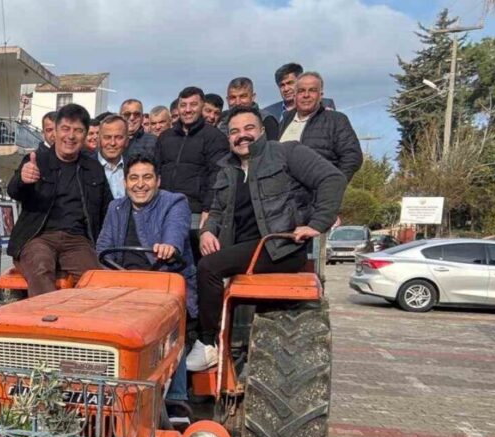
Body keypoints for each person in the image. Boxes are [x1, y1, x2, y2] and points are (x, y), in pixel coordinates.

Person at [187, 107, 345, 371]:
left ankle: (207, 343)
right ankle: (186, 330)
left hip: (278, 247)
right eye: (234, 131)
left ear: (261, 130)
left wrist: (316, 225)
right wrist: (206, 232)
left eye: (249, 128)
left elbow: (332, 178)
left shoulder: (286, 153)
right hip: (240, 247)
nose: (242, 136)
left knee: (209, 267)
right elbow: (216, 211)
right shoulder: (227, 169)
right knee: (184, 250)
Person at [95, 155, 197, 404]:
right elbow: (103, 247)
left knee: (169, 328)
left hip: (163, 283)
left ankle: (176, 399)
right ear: (125, 182)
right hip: (123, 284)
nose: (140, 184)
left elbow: (177, 228)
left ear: (158, 180)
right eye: (134, 178)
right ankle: (102, 388)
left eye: (147, 177)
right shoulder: (116, 208)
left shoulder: (175, 202)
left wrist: (169, 246)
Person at [6, 103, 114, 297]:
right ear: (55, 132)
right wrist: (23, 180)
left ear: (87, 135)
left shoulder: (94, 168)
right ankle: (46, 323)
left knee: (98, 281)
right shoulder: (36, 160)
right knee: (41, 267)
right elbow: (13, 191)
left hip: (78, 241)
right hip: (38, 237)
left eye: (78, 131)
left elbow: (108, 210)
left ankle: (84, 325)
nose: (71, 136)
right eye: (65, 129)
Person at [154, 86, 228, 260]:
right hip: (164, 209)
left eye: (193, 104)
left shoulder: (214, 137)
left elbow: (217, 175)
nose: (188, 110)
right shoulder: (165, 137)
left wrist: (208, 209)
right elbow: (156, 171)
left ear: (202, 106)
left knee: (193, 260)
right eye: (183, 105)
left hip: (195, 211)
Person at [278, 71, 363, 180]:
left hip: (317, 193)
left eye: (312, 90)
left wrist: (333, 186)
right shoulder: (284, 121)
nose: (306, 95)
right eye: (301, 91)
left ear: (321, 95)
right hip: (282, 193)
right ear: (295, 95)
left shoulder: (336, 120)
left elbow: (352, 157)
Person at [261, 62, 336, 124]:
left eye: (290, 83)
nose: (286, 89)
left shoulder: (325, 104)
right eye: (282, 85)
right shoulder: (268, 113)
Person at [97, 114, 130, 200]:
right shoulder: (85, 167)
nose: (112, 143)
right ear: (99, 140)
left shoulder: (133, 166)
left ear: (127, 141)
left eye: (118, 137)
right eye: (107, 137)